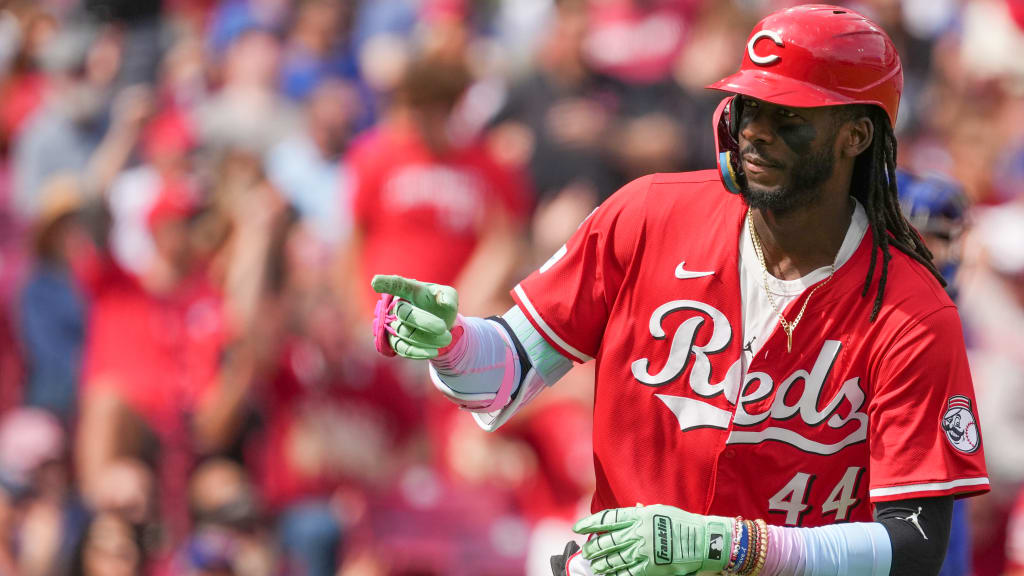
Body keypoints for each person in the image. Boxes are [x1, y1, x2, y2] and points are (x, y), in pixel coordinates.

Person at [369, 5, 990, 576]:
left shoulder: (912, 310)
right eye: (748, 108)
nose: (756, 133)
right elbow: (504, 374)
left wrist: (734, 549)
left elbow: (913, 544)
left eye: (789, 118)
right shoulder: (647, 213)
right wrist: (449, 346)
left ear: (856, 135)